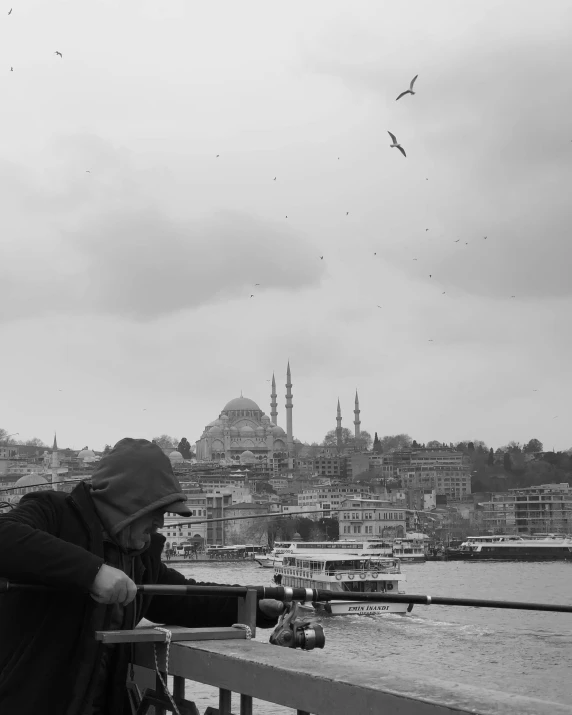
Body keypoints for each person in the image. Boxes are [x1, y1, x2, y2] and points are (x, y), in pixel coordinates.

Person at [0, 438, 283, 715]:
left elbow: (188, 598)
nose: (161, 522)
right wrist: (92, 573)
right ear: (127, 502)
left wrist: (256, 604)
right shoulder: (53, 513)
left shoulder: (140, 560)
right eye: (156, 511)